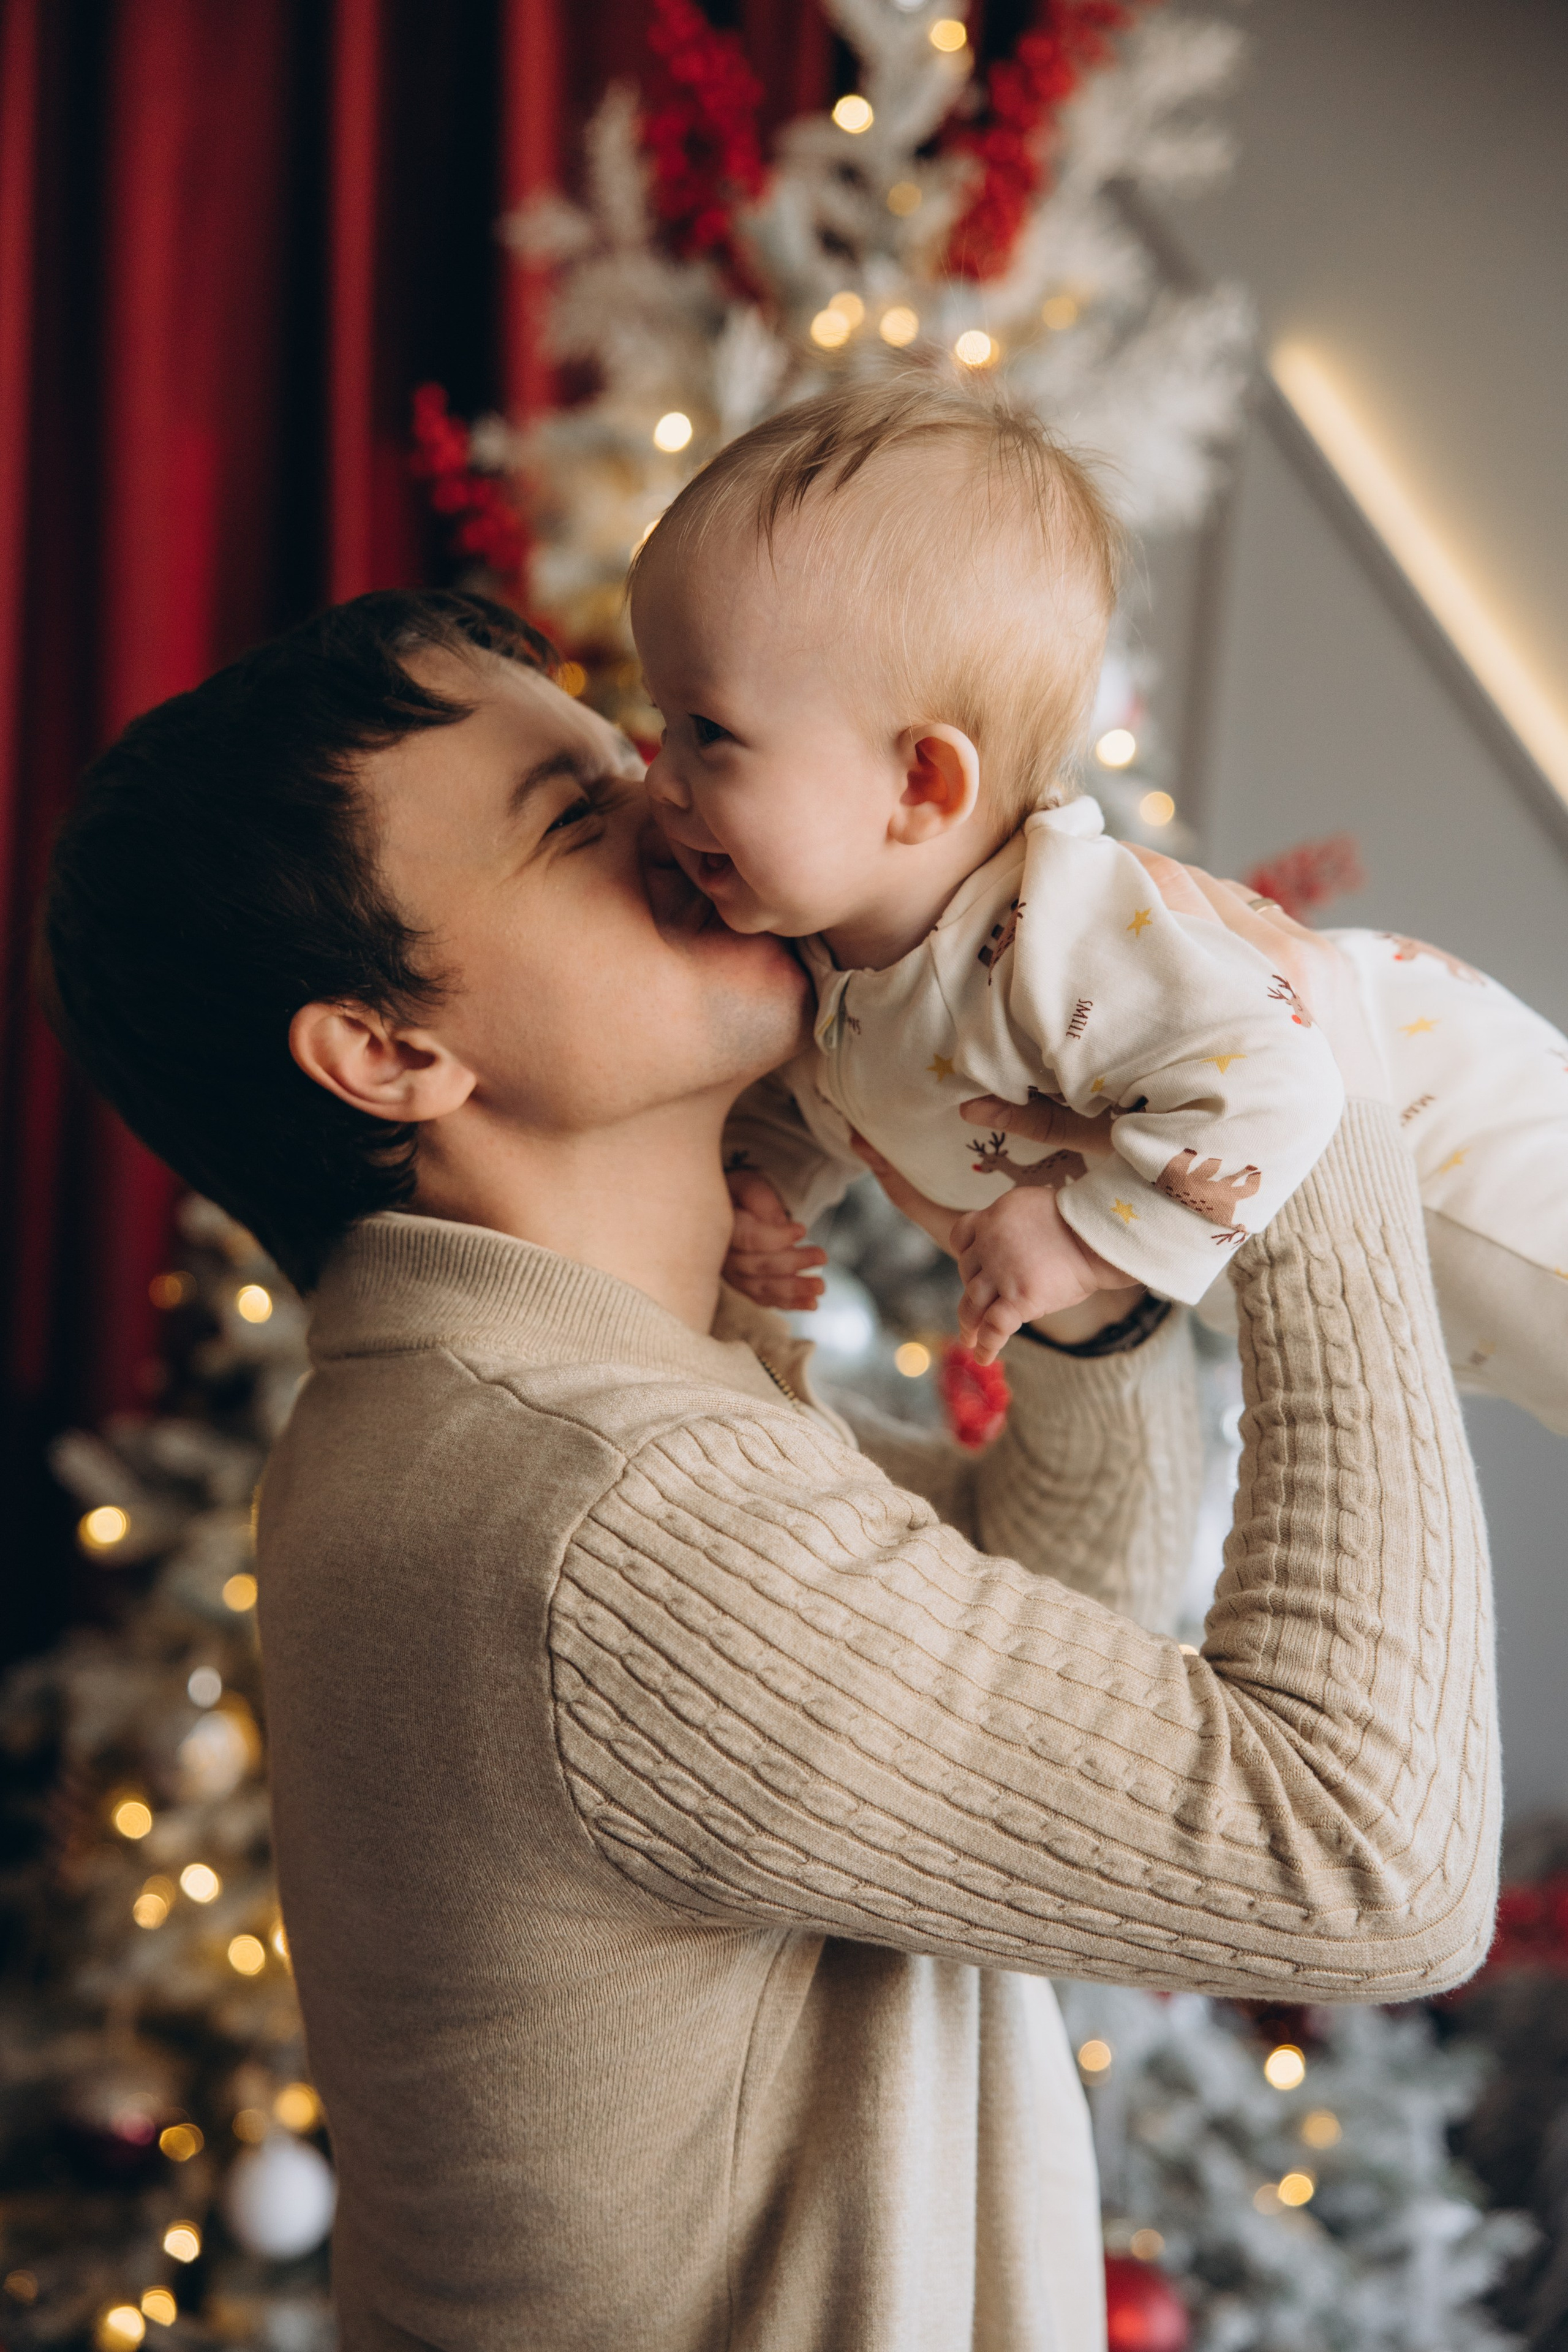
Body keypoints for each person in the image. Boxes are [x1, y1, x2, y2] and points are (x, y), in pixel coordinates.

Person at [42, 589, 1498, 2352]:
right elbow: (1370, 1870)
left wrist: (1076, 1274)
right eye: (575, 820)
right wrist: (1309, 1115)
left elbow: (1055, 1613)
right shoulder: (593, 1512)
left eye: (635, 757)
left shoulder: (517, 1409)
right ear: (391, 1051)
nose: (683, 808)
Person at [633, 374, 1568, 1431]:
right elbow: (827, 1105)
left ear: (921, 784)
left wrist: (1081, 1239)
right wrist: (766, 1186)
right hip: (1409, 1271)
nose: (661, 780)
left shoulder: (1058, 932)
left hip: (1459, 1135)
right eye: (664, 722)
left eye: (708, 733)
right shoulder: (821, 965)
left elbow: (1282, 1082)